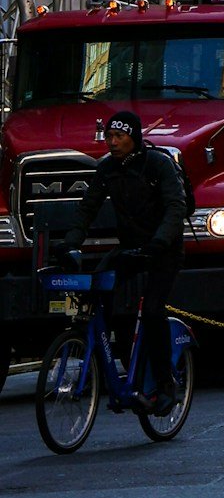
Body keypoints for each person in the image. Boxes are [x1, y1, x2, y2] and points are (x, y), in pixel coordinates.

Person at [73, 108, 185, 410]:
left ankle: (165, 385)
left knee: (151, 311)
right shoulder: (107, 168)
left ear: (133, 138)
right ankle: (112, 373)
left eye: (119, 136)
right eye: (109, 136)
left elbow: (176, 206)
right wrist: (70, 242)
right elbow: (88, 208)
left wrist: (160, 241)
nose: (112, 142)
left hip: (163, 250)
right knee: (100, 299)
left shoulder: (158, 165)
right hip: (130, 249)